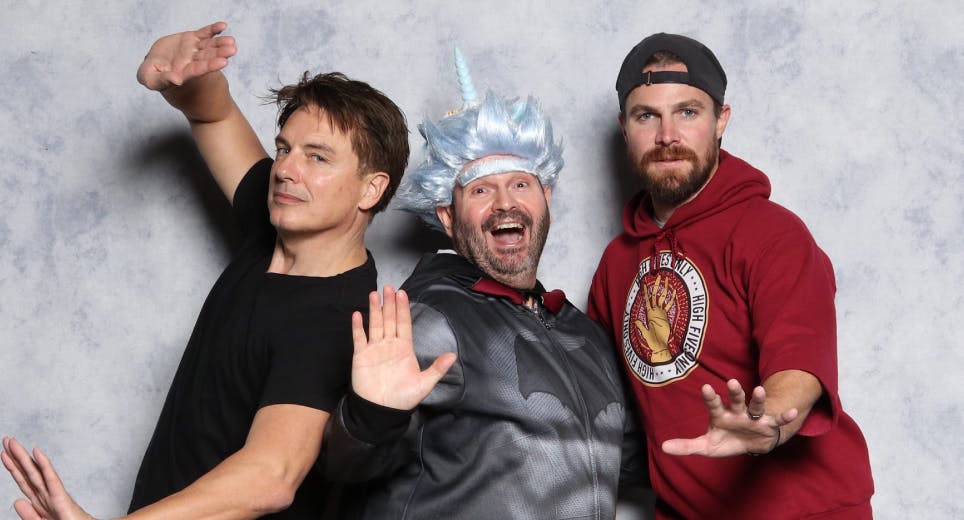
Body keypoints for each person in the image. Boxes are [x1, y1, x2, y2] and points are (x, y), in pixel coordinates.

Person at [1, 21, 420, 519]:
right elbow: (213, 114)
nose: (286, 169)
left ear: (371, 189)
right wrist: (179, 73)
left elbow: (270, 477)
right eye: (284, 148)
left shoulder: (336, 320)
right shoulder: (279, 220)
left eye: (318, 157)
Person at [320, 49, 645, 519]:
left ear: (545, 199)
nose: (505, 203)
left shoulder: (585, 335)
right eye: (480, 190)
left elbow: (629, 461)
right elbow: (345, 466)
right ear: (448, 217)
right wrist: (370, 415)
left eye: (520, 184)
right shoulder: (429, 320)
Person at [587, 32, 875, 518]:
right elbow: (592, 390)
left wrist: (771, 421)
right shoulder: (616, 265)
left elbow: (801, 365)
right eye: (646, 116)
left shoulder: (772, 234)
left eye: (688, 112)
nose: (667, 136)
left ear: (721, 120)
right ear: (624, 127)